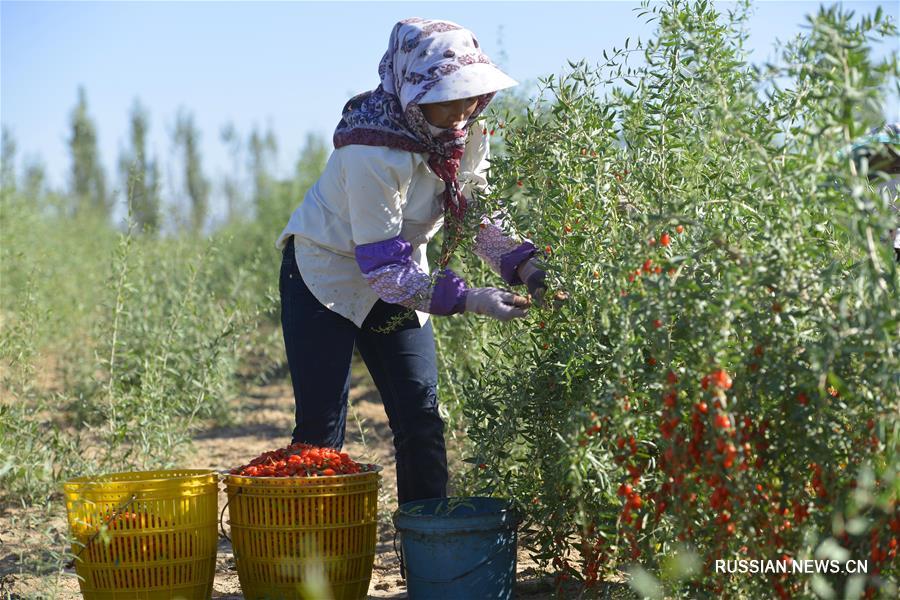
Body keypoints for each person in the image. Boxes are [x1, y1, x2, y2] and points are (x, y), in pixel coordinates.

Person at [275, 18, 548, 505]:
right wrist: (469, 300)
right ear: (413, 92)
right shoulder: (372, 149)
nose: (463, 110)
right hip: (326, 276)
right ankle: (317, 566)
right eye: (449, 97)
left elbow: (474, 205)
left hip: (401, 274)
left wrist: (523, 263)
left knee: (421, 418)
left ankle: (428, 557)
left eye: (471, 95)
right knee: (321, 430)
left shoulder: (467, 131)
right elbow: (381, 266)